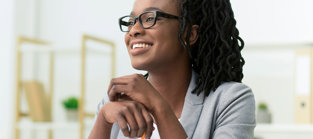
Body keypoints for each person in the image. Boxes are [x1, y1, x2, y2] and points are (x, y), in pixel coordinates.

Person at [88, 0, 255, 138]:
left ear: (189, 34)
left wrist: (158, 106)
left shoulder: (231, 100)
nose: (134, 30)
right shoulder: (115, 101)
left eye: (150, 18)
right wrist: (103, 120)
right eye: (131, 21)